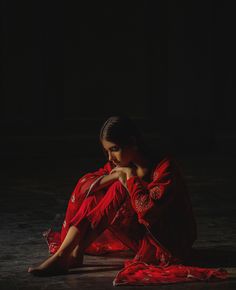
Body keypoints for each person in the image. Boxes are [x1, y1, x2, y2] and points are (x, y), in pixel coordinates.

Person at [28, 116, 228, 285]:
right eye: (106, 151)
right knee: (102, 190)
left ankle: (66, 255)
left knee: (118, 188)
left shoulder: (165, 168)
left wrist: (130, 178)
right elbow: (84, 185)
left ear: (133, 142)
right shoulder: (125, 163)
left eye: (114, 149)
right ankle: (71, 253)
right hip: (143, 237)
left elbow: (148, 211)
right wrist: (117, 175)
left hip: (169, 243)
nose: (110, 157)